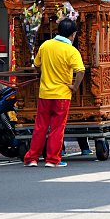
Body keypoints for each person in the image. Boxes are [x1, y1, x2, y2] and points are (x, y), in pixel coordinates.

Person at [24, 18, 85, 168]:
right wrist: (75, 87)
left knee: (40, 126)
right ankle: (52, 159)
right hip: (62, 95)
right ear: (73, 34)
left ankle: (32, 158)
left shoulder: (46, 46)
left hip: (45, 93)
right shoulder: (71, 50)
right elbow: (81, 71)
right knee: (57, 128)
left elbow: (37, 65)